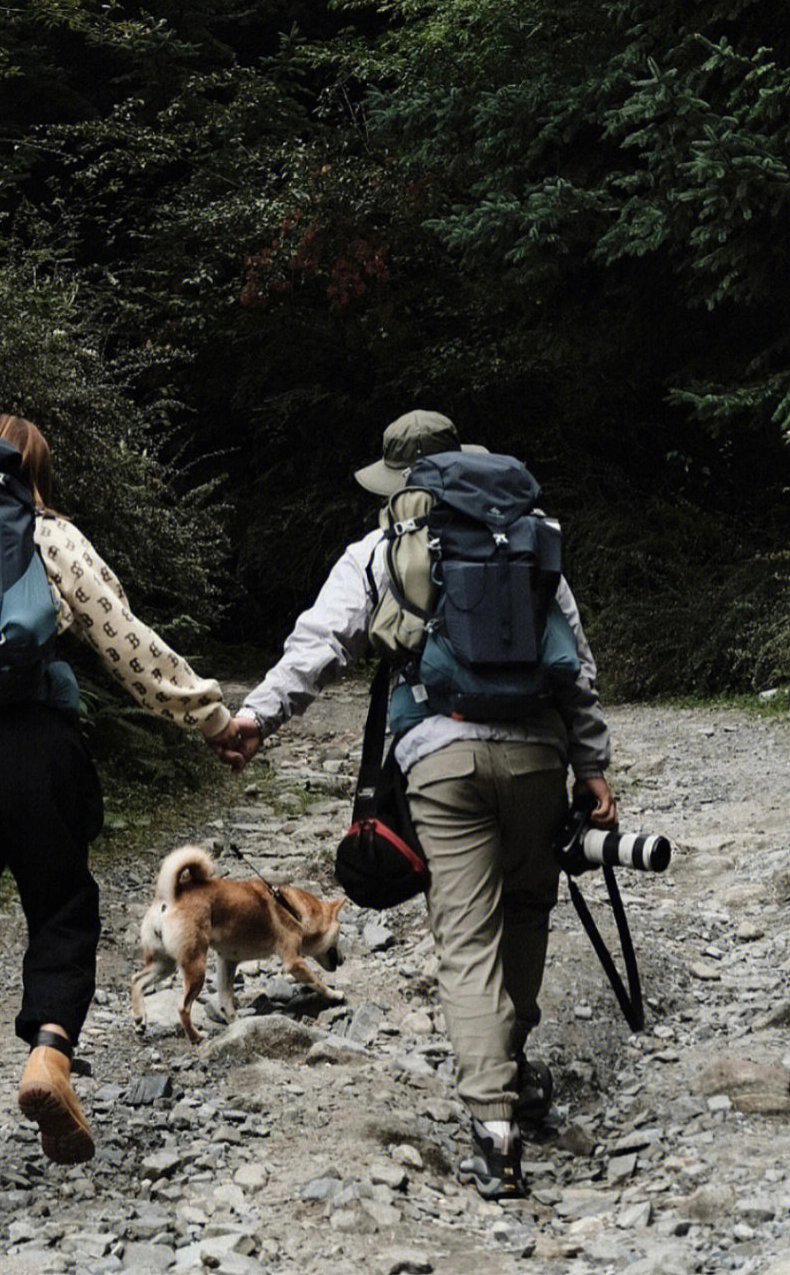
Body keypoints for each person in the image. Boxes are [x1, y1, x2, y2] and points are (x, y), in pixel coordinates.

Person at [0, 414, 241, 1220]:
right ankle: (49, 1055)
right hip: (34, 745)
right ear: (32, 472)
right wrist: (211, 719)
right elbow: (125, 642)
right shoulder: (47, 536)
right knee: (62, 905)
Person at [221, 410, 617, 1199]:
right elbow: (575, 661)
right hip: (539, 752)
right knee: (529, 907)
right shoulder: (527, 536)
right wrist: (592, 765)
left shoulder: (382, 548)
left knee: (466, 937)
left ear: (400, 481)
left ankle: (495, 1129)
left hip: (440, 759)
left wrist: (257, 717)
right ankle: (514, 1067)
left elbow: (320, 644)